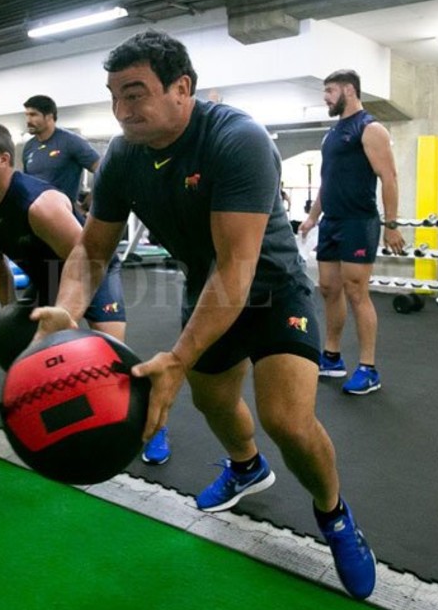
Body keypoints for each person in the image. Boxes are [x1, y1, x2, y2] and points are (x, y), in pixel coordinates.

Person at [31, 30, 375, 599]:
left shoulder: (236, 139)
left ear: (181, 88)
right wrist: (67, 314)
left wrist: (177, 357)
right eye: (114, 96)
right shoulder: (121, 156)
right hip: (206, 287)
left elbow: (237, 271)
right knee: (213, 400)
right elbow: (90, 252)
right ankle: (245, 466)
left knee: (286, 419)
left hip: (270, 289)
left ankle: (334, 514)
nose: (121, 110)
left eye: (135, 93)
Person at [0, 122, 171, 465]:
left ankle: (156, 424)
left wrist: (68, 314)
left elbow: (89, 258)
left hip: (92, 267)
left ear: (3, 159)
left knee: (114, 359)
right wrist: (9, 314)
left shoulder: (38, 204)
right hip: (45, 277)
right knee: (39, 348)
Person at [297, 69, 405, 395]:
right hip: (331, 221)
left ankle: (369, 368)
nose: (326, 97)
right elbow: (327, 181)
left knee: (356, 290)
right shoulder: (331, 134)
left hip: (359, 221)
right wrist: (312, 218)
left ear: (348, 90)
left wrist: (392, 225)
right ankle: (332, 357)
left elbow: (389, 177)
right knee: (329, 288)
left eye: (329, 91)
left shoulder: (370, 128)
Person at [22, 95, 100, 203]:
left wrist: (91, 199)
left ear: (49, 116)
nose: (28, 120)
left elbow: (103, 170)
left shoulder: (71, 141)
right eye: (26, 115)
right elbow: (27, 182)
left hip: (63, 212)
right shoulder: (29, 146)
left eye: (33, 115)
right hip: (35, 212)